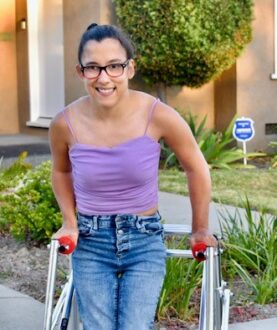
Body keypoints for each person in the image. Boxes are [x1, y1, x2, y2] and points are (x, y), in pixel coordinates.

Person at [49, 23, 217, 330]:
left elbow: (197, 167)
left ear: (130, 68)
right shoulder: (64, 123)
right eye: (93, 68)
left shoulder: (158, 114)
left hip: (143, 239)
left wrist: (200, 228)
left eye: (114, 66)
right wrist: (69, 222)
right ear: (80, 71)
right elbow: (61, 171)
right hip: (90, 241)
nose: (104, 78)